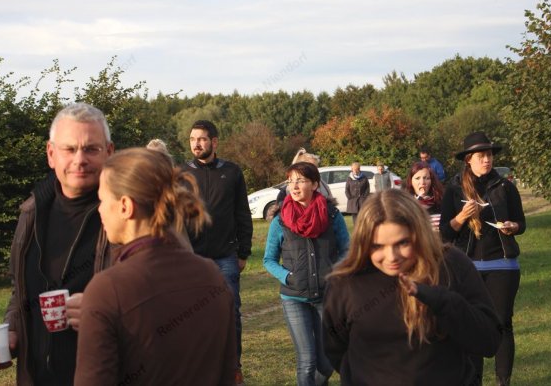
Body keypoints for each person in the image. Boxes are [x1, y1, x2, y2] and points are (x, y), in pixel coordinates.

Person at [74, 148, 236, 385]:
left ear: (125, 206)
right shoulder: (212, 275)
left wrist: (97, 309)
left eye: (102, 200)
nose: (99, 209)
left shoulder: (107, 290)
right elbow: (228, 373)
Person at [0, 103, 114, 385]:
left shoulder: (130, 214)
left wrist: (103, 311)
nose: (80, 159)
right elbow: (21, 290)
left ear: (109, 152)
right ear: (51, 154)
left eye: (91, 149)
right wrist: (13, 329)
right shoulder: (31, 213)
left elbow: (164, 296)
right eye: (69, 149)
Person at [322, 189, 502, 385]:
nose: (391, 257)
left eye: (402, 243)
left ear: (419, 235)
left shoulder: (450, 265)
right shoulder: (345, 282)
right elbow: (335, 348)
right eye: (377, 246)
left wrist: (442, 301)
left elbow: (489, 340)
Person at [439, 131, 526, 386]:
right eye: (481, 156)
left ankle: (503, 382)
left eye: (489, 155)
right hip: (467, 268)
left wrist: (512, 226)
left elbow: (521, 223)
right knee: (473, 325)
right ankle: (473, 381)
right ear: (469, 160)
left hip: (503, 265)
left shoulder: (505, 187)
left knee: (501, 323)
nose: (487, 160)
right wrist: (462, 217)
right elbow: (445, 233)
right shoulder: (454, 190)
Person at [263, 162, 349, 386]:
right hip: (294, 298)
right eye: (290, 181)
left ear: (315, 184)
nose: (294, 186)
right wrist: (288, 277)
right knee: (307, 361)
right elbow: (269, 260)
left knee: (326, 363)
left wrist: (333, 273)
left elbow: (347, 251)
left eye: (300, 180)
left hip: (326, 296)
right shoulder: (280, 220)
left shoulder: (332, 215)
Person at [186, 119, 253, 385]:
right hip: (191, 259)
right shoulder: (181, 174)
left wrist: (243, 252)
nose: (196, 144)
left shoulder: (232, 172)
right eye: (192, 139)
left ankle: (233, 367)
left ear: (214, 142)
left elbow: (242, 213)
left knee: (230, 313)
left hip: (225, 257)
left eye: (201, 139)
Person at [403, 161, 444, 230]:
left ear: (431, 181)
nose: (422, 182)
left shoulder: (441, 201)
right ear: (411, 181)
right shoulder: (405, 204)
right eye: (417, 178)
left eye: (426, 178)